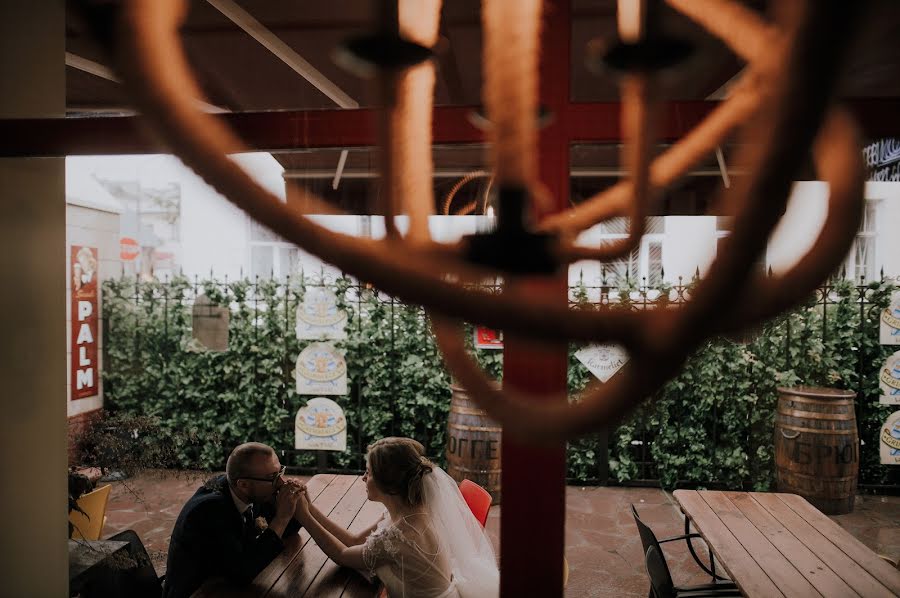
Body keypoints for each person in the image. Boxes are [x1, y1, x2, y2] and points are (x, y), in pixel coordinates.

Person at [295, 437, 499, 597]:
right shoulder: (411, 511)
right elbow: (354, 541)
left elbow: (342, 555)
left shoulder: (398, 537)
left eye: (369, 473)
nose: (363, 478)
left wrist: (303, 518)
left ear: (389, 485)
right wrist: (310, 508)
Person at [161, 442, 306, 598]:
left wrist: (297, 504)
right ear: (243, 484)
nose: (281, 482)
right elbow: (243, 573)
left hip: (224, 585)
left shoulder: (250, 490)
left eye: (280, 472)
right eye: (273, 477)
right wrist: (282, 518)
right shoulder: (210, 510)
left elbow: (289, 530)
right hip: (196, 592)